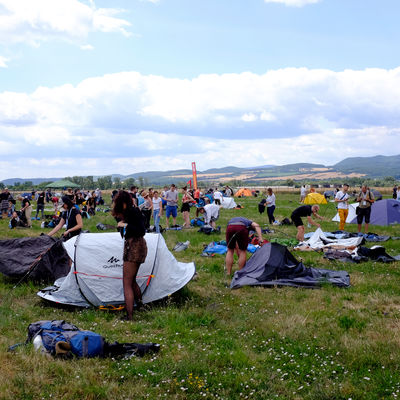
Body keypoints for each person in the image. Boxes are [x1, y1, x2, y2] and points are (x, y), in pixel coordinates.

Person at [112, 190, 147, 320]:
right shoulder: (129, 212)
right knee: (131, 281)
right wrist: (121, 222)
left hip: (134, 247)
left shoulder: (133, 211)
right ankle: (141, 306)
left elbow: (141, 230)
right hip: (135, 246)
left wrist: (125, 224)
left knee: (126, 282)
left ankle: (130, 315)